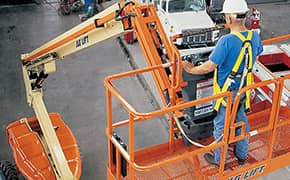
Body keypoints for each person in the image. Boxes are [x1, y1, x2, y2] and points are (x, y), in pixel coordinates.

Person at [182, 0, 263, 167]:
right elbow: (256, 53)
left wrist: (190, 69)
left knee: (220, 127)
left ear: (229, 19)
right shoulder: (254, 36)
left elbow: (208, 66)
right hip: (244, 91)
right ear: (245, 16)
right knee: (241, 121)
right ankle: (241, 155)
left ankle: (220, 161)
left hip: (227, 93)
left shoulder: (226, 41)